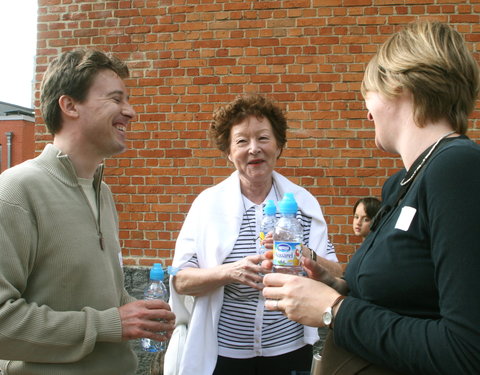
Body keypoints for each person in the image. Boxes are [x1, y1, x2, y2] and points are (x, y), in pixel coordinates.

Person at [262, 20, 480, 375]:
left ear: (399, 85)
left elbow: (466, 351)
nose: (367, 112)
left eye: (369, 95)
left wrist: (334, 309)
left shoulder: (457, 169)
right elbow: (407, 296)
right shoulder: (401, 184)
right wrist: (330, 282)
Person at [0, 49, 175, 374]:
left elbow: (95, 293)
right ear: (69, 106)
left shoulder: (102, 193)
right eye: (116, 99)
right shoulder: (15, 191)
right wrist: (110, 323)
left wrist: (135, 311)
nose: (130, 112)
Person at [168, 94, 342, 375]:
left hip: (289, 350)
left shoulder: (303, 203)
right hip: (225, 353)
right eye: (241, 141)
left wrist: (305, 255)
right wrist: (228, 272)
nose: (253, 149)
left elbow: (337, 275)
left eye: (263, 138)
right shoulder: (207, 205)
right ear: (228, 151)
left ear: (279, 146)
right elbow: (180, 281)